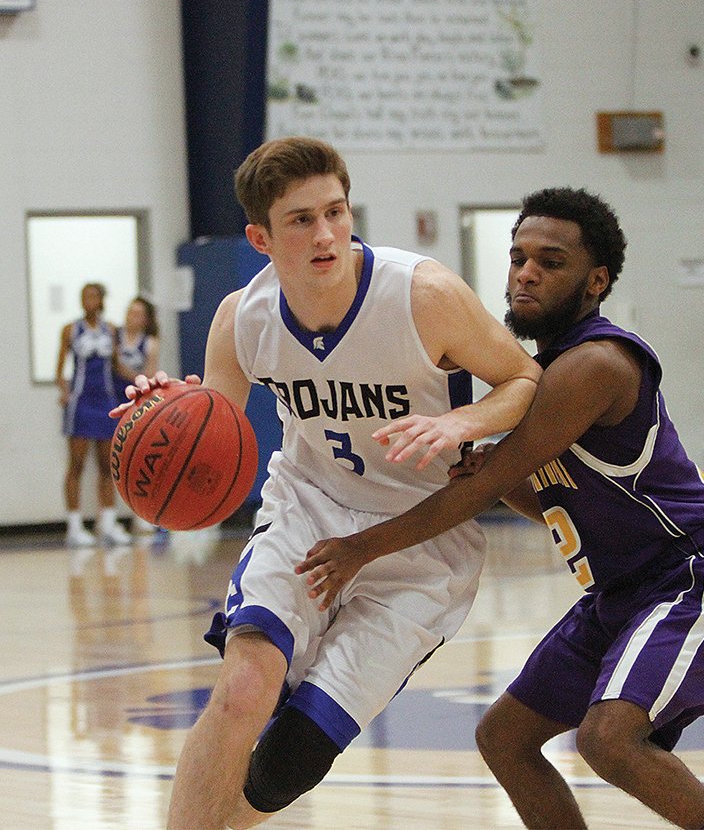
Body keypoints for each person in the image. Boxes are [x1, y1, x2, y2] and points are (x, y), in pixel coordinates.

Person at [296, 188, 704, 830]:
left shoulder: (595, 364)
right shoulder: (535, 374)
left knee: (607, 740)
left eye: (551, 261)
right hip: (617, 594)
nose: (525, 272)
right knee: (505, 739)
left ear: (595, 281)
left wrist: (363, 547)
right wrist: (488, 471)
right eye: (518, 257)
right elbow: (544, 497)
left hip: (689, 581)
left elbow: (483, 491)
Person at [115, 136, 541, 830]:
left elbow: (525, 377)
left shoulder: (422, 294)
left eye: (336, 212)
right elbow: (211, 432)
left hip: (422, 543)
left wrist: (463, 421)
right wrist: (164, 408)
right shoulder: (242, 318)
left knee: (293, 757)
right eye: (301, 219)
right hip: (309, 514)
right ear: (260, 237)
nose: (326, 233)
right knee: (245, 687)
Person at [56, 282, 131, 548]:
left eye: (93, 296)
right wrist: (64, 392)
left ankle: (108, 524)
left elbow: (119, 366)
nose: (88, 300)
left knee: (107, 465)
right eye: (84, 295)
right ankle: (74, 527)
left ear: (100, 300)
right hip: (81, 402)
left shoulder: (111, 330)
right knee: (76, 464)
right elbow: (59, 370)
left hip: (106, 401)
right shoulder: (70, 330)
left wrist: (142, 378)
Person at [113, 295, 160, 403]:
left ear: (146, 319)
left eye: (137, 315)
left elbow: (150, 375)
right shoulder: (114, 335)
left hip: (135, 394)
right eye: (130, 312)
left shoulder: (150, 342)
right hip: (112, 393)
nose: (131, 317)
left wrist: (124, 371)